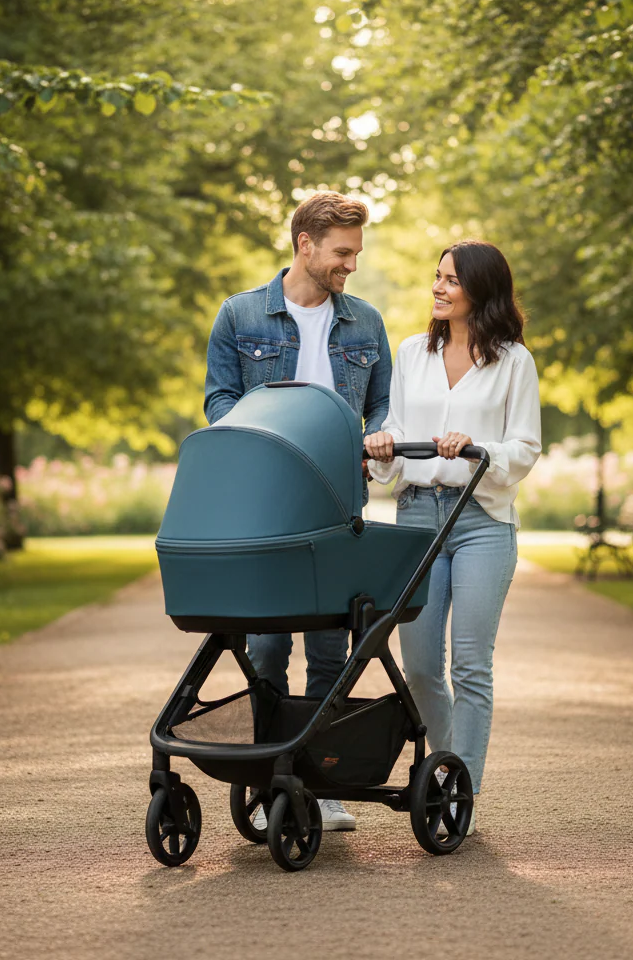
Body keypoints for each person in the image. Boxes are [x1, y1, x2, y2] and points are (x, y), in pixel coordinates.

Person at [204, 191, 392, 831]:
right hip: (266, 504)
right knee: (265, 646)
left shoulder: (365, 322)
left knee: (331, 647)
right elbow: (219, 400)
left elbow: (382, 404)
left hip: (339, 501)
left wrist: (380, 434)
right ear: (304, 244)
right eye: (342, 252)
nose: (351, 265)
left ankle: (321, 779)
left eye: (356, 253)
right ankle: (269, 780)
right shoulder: (239, 314)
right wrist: (266, 442)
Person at [364, 239, 541, 835]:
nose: (438, 288)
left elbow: (525, 446)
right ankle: (445, 772)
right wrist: (383, 443)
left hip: (480, 520)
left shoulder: (514, 362)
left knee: (469, 664)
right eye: (437, 277)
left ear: (481, 291)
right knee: (418, 666)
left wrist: (475, 448)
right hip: (417, 516)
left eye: (452, 280)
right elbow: (394, 425)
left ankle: (461, 791)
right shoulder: (412, 353)